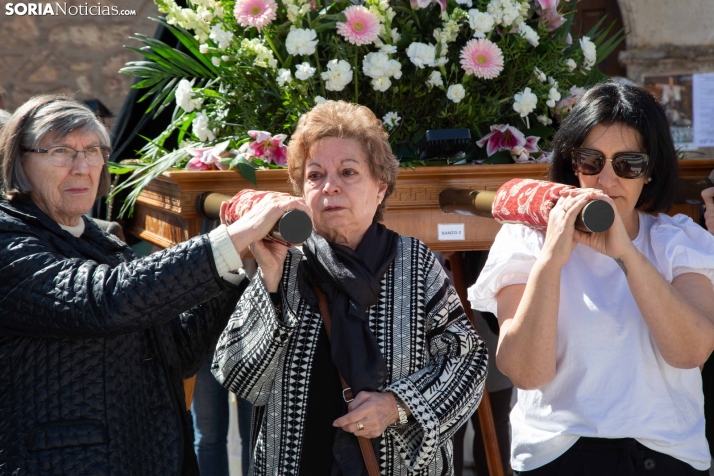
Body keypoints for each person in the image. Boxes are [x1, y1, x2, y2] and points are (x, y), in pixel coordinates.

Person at [0, 95, 307, 475]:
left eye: (93, 150)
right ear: (20, 163)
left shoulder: (103, 241)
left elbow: (177, 353)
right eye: (61, 151)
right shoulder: (8, 237)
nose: (82, 167)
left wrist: (241, 261)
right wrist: (234, 235)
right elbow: (105, 299)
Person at [212, 100, 488, 475]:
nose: (330, 188)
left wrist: (397, 405)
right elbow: (241, 379)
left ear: (380, 187)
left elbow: (467, 360)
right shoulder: (285, 260)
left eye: (348, 172)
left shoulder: (414, 262)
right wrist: (271, 284)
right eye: (315, 175)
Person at [469, 82, 714, 475]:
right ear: (572, 164)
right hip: (560, 454)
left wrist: (626, 253)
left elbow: (690, 353)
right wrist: (551, 261)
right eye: (591, 161)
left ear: (649, 171)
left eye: (628, 163)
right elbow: (526, 371)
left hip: (664, 455)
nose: (607, 179)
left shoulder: (678, 241)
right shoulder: (526, 240)